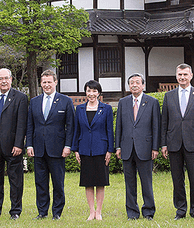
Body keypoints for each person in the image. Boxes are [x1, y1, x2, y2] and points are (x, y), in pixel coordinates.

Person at [160, 63, 194, 221]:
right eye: (180, 75)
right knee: (177, 179)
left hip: (193, 143)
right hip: (174, 143)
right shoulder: (169, 96)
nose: (182, 77)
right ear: (176, 76)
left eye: (185, 75)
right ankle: (180, 210)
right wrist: (164, 144)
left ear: (191, 76)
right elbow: (164, 122)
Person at [26, 69, 74, 220]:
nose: (47, 85)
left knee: (58, 183)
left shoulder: (65, 101)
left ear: (55, 82)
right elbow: (30, 125)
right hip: (38, 149)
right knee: (40, 183)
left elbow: (71, 126)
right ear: (41, 84)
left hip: (57, 149)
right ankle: (42, 212)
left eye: (49, 82)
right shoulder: (34, 102)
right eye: (44, 82)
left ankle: (57, 212)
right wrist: (29, 145)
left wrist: (68, 146)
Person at [0, 68, 28, 220]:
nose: (3, 81)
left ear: (11, 79)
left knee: (15, 181)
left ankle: (15, 211)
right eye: (0, 78)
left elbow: (22, 123)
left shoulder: (20, 97)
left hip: (12, 146)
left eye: (6, 78)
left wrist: (19, 144)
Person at [115, 73, 161, 220]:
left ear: (143, 85)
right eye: (131, 83)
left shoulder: (152, 102)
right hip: (127, 148)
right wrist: (118, 147)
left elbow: (156, 126)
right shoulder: (123, 102)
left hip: (146, 148)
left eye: (137, 82)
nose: (134, 85)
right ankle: (132, 212)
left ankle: (148, 211)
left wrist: (155, 147)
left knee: (146, 182)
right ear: (128, 86)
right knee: (129, 183)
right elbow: (119, 126)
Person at [71, 80, 114, 221]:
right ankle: (91, 212)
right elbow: (76, 131)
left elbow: (109, 131)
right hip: (84, 150)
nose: (91, 94)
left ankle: (99, 212)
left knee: (100, 182)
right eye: (89, 91)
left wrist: (110, 150)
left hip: (101, 150)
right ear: (85, 92)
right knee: (88, 182)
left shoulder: (106, 109)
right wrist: (75, 149)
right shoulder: (80, 109)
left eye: (94, 91)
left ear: (99, 93)